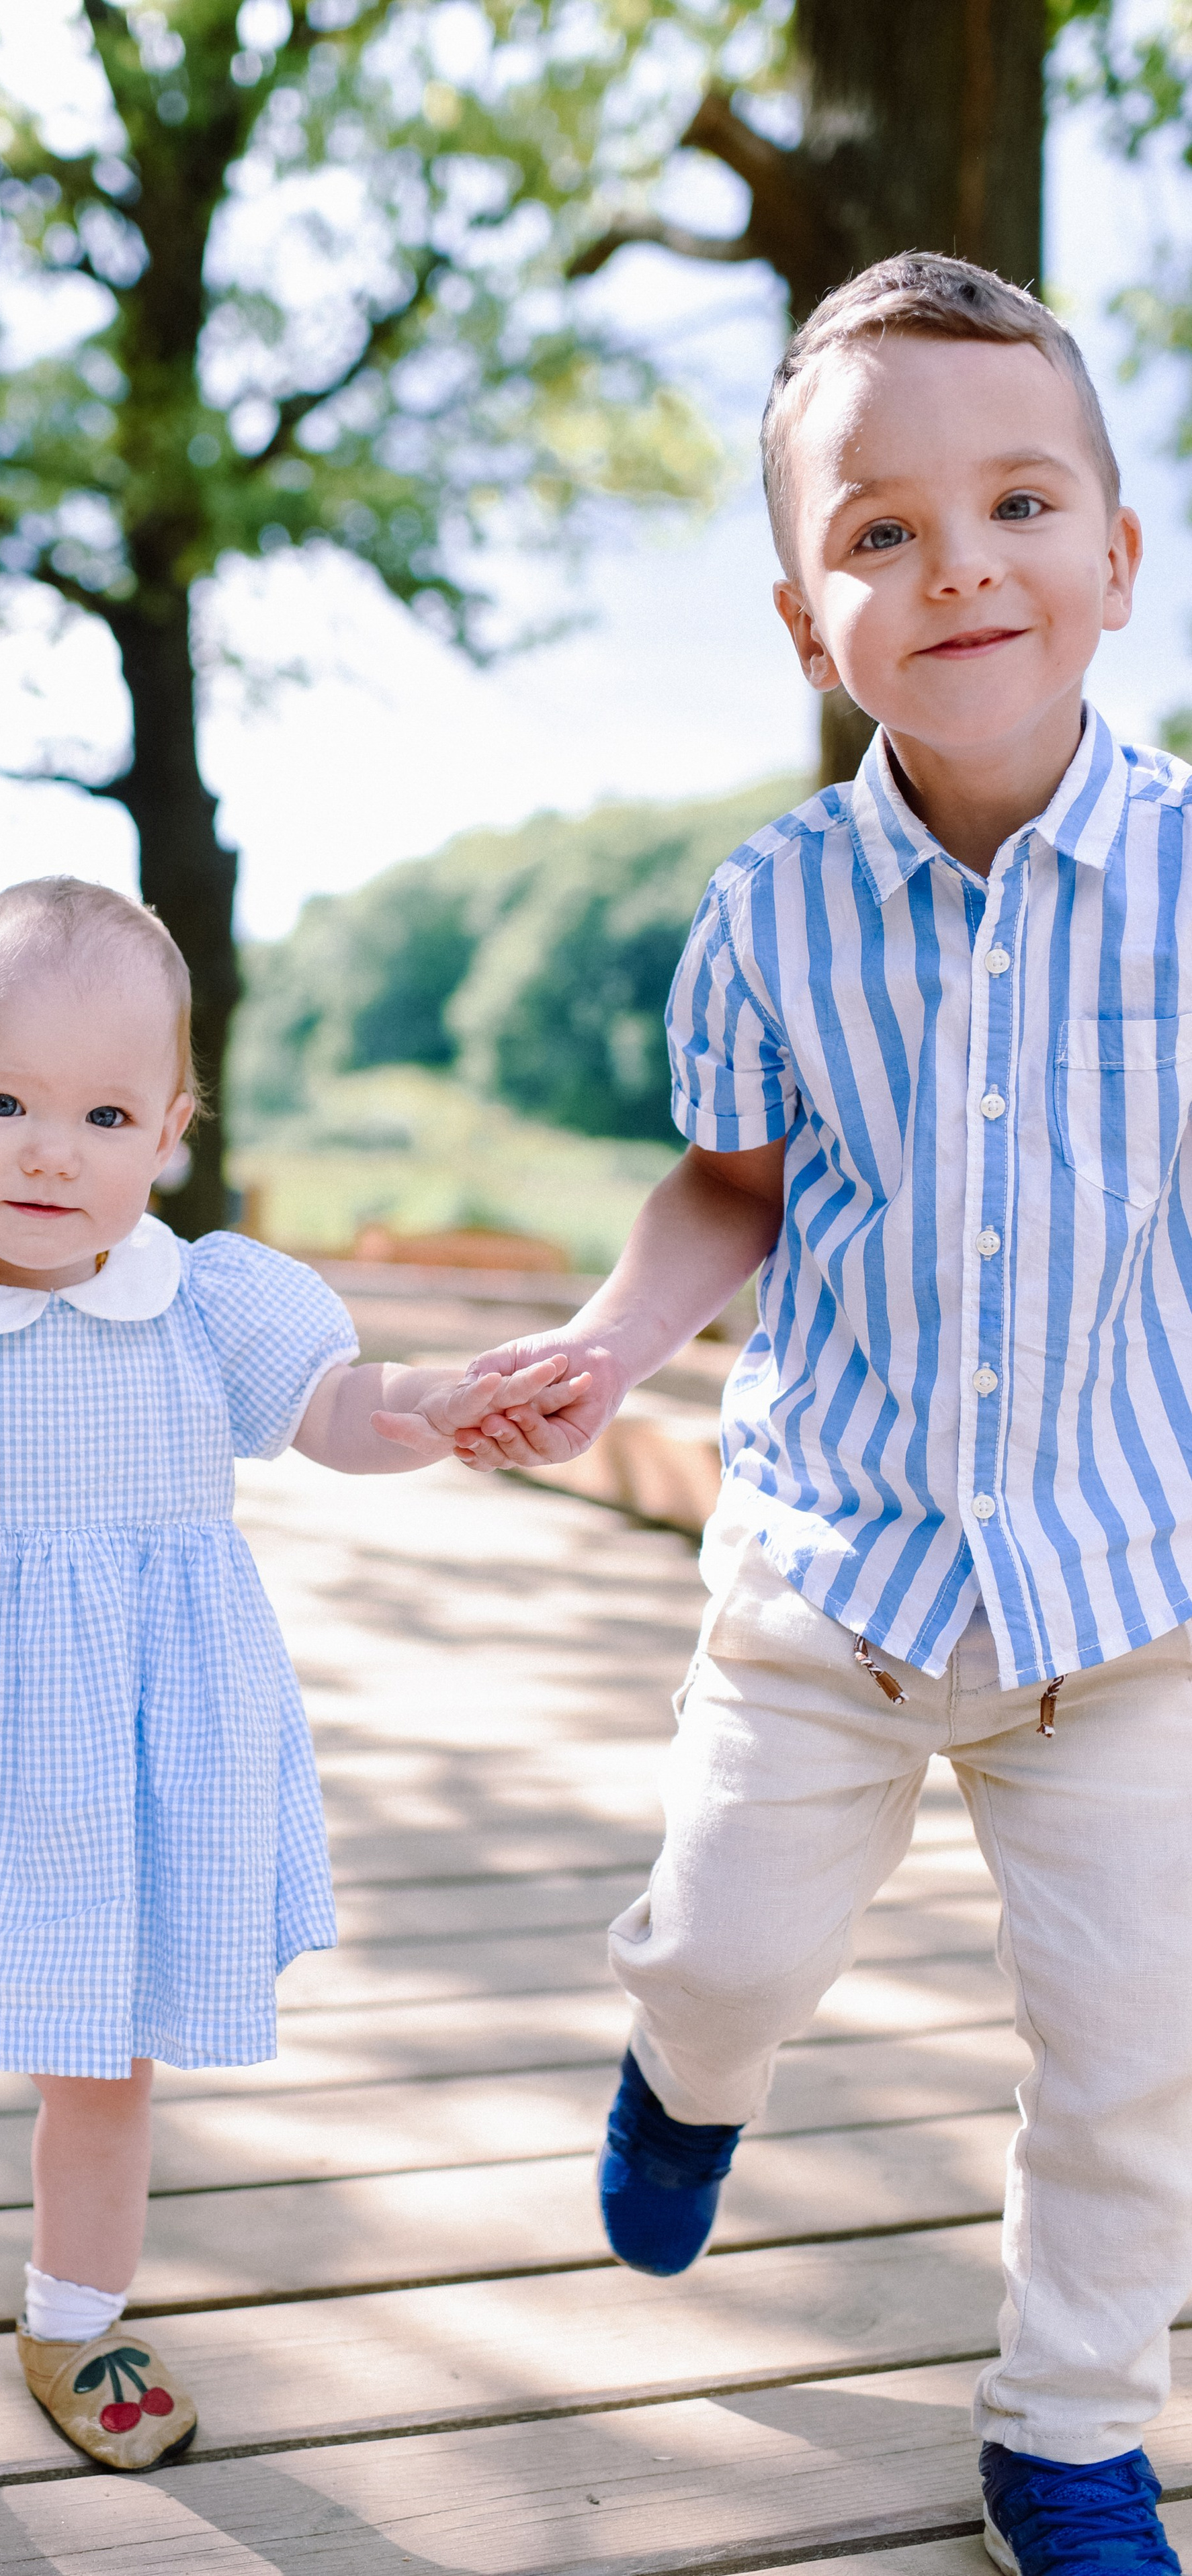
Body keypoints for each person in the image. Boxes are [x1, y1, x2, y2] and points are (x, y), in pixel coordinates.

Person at [454, 253, 1192, 2574]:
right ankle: (684, 2076)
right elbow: (730, 1182)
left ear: (1117, 557)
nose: (958, 559)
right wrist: (613, 1339)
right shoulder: (771, 906)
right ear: (803, 624)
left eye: (1019, 500)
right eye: (878, 531)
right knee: (725, 1953)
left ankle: (1069, 2427)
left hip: (1132, 1601)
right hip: (831, 1579)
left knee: (1144, 2056)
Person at [0, 877, 574, 2472]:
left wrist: (429, 1402)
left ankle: (76, 2315)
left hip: (107, 1753)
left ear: (172, 1129)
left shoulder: (203, 1304)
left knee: (103, 2060)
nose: (51, 1150)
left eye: (105, 1112)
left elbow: (333, 1411)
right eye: (3, 1102)